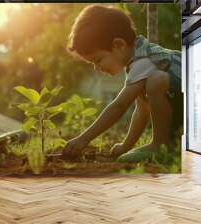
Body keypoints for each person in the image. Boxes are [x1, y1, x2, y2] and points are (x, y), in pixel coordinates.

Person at [62, 4, 182, 162]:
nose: (97, 68)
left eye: (98, 60)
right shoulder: (139, 63)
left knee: (157, 80)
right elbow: (141, 111)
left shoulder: (144, 61)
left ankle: (160, 145)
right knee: (152, 84)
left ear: (119, 44)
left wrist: (84, 138)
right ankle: (166, 144)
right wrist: (126, 146)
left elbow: (119, 106)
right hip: (182, 107)